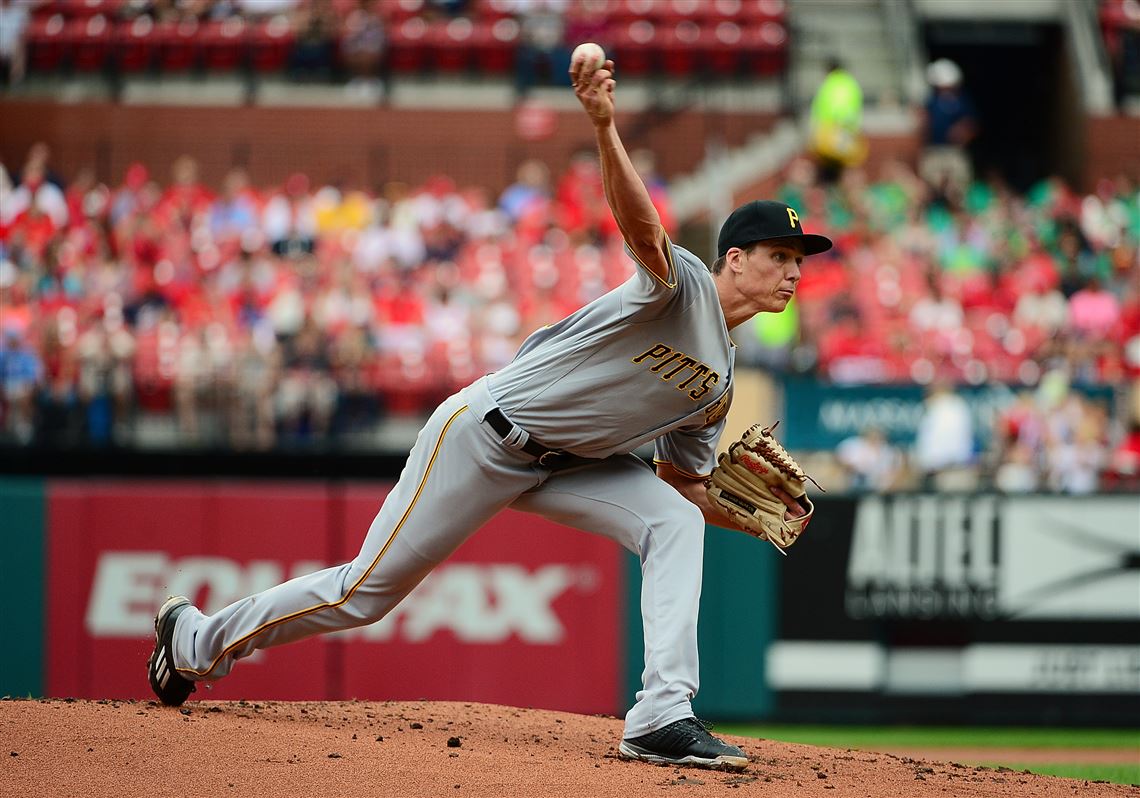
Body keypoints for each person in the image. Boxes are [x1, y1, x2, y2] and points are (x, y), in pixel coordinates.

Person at [147, 52, 831, 771]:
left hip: (571, 467)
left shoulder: (720, 382)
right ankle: (194, 640)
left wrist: (755, 515)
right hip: (484, 434)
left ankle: (662, 713)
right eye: (779, 253)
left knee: (675, 522)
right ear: (732, 258)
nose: (792, 269)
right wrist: (603, 125)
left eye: (799, 259)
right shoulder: (684, 285)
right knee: (365, 593)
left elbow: (683, 483)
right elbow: (638, 224)